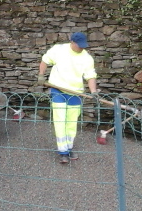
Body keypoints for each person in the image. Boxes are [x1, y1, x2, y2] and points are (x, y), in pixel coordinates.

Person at [37, 32, 98, 164]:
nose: (81, 48)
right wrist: (41, 75)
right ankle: (63, 152)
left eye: (83, 46)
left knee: (72, 122)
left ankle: (69, 147)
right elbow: (45, 60)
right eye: (79, 45)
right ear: (72, 42)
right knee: (60, 120)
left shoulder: (87, 58)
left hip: (75, 93)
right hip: (58, 90)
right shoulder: (58, 50)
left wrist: (93, 92)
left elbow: (90, 75)